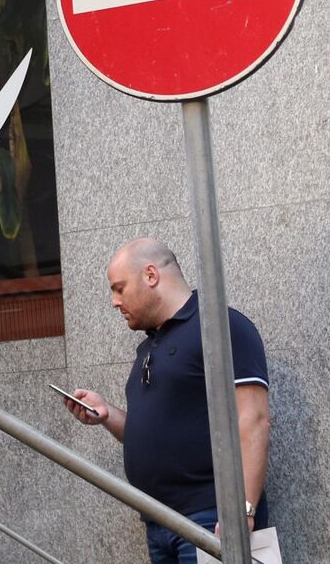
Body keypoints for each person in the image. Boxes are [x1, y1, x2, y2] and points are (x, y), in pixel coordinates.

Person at [59, 238, 272, 564]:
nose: (115, 302)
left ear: (150, 275)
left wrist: (242, 510)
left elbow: (253, 419)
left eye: (119, 288)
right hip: (159, 522)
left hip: (211, 519)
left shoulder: (219, 325)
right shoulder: (151, 345)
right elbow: (154, 432)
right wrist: (106, 415)